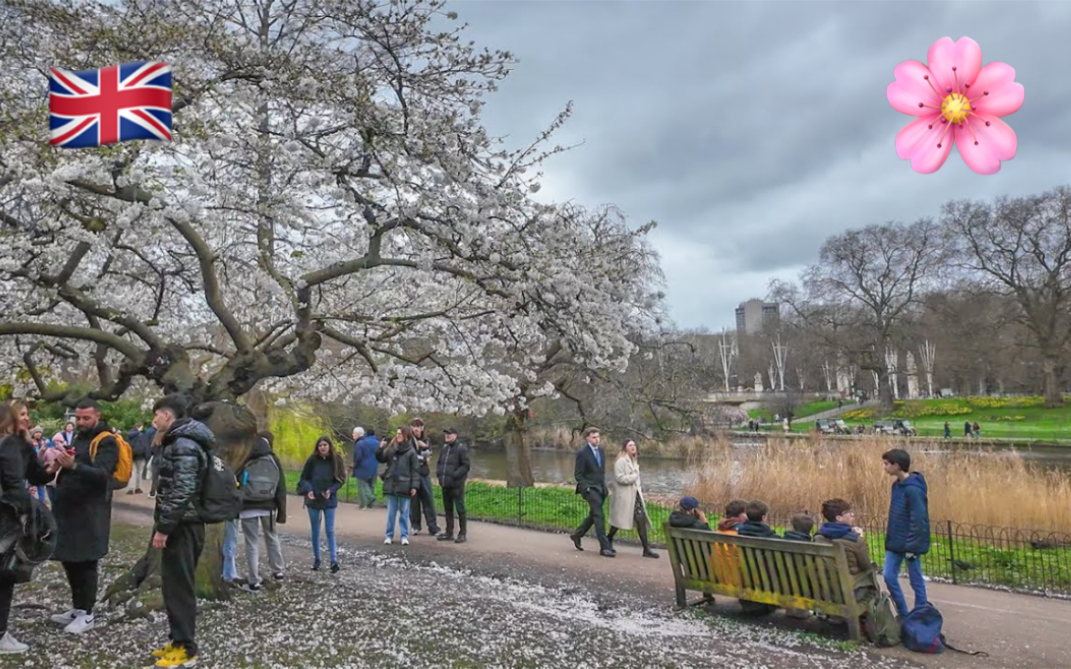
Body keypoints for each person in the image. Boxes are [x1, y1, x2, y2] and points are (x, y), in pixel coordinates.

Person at [149, 394, 212, 669]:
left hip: (184, 526)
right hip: (182, 523)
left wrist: (164, 527)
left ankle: (186, 649)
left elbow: (183, 489)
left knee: (180, 587)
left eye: (156, 414)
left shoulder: (184, 444)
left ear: (167, 416)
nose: (153, 420)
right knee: (173, 585)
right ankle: (177, 641)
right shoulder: (180, 441)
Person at [48, 399, 120, 636]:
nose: (80, 422)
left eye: (85, 418)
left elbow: (102, 474)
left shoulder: (107, 440)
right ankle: (78, 608)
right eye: (78, 418)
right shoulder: (79, 438)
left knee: (87, 561)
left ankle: (87, 612)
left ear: (96, 416)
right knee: (70, 559)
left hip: (90, 512)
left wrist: (74, 465)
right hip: (69, 509)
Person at [0, 401, 54, 654]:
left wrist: (53, 467)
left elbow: (37, 476)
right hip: (6, 517)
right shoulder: (10, 444)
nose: (26, 418)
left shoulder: (22, 444)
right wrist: (30, 513)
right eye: (20, 414)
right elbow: (13, 485)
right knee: (4, 574)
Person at [235, 432, 287, 590]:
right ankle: (278, 571)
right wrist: (281, 512)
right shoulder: (273, 458)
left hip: (247, 507)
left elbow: (235, 481)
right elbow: (281, 486)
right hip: (268, 506)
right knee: (272, 537)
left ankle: (253, 581)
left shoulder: (244, 457)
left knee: (251, 542)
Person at [882, 448, 930, 619]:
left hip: (909, 542)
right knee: (888, 575)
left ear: (897, 465)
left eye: (887, 464)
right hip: (895, 540)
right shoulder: (896, 486)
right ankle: (903, 613)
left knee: (915, 580)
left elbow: (919, 519)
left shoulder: (913, 490)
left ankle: (921, 614)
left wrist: (913, 545)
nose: (885, 467)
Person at [297, 437, 346, 572]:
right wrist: (309, 490)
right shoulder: (312, 460)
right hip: (313, 499)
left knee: (330, 530)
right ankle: (317, 559)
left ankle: (333, 560)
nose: (322, 448)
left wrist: (331, 490)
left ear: (329, 446)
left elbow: (341, 479)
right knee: (315, 530)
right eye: (320, 445)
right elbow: (303, 478)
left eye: (325, 445)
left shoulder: (336, 460)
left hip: (329, 499)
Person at [815, 498, 878, 603]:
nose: (852, 515)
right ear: (839, 518)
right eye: (848, 513)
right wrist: (861, 539)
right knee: (871, 583)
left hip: (823, 590)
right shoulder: (855, 540)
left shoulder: (818, 536)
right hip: (847, 592)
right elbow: (866, 566)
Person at [607, 439, 658, 558]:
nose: (633, 447)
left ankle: (646, 549)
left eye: (634, 445)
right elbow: (619, 478)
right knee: (618, 521)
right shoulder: (620, 461)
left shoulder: (634, 460)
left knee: (641, 520)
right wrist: (633, 477)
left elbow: (636, 479)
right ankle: (608, 538)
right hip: (624, 496)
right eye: (630, 445)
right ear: (625, 448)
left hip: (635, 496)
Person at [569, 427, 614, 557]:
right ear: (587, 438)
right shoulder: (582, 453)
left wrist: (604, 486)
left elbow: (601, 471)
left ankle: (577, 534)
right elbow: (578, 474)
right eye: (594, 437)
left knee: (594, 515)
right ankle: (605, 547)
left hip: (600, 488)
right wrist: (586, 487)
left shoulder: (601, 451)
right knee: (599, 515)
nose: (597, 439)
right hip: (590, 489)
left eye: (598, 437)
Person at [377, 426, 419, 545]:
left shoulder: (411, 452)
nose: (398, 435)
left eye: (400, 434)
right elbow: (382, 458)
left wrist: (414, 486)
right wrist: (380, 448)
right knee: (391, 513)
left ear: (406, 436)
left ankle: (404, 535)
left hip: (405, 485)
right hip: (392, 484)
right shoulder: (392, 448)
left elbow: (415, 470)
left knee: (404, 513)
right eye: (397, 433)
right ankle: (389, 535)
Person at [435, 428, 471, 543]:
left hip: (456, 486)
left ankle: (462, 533)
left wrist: (455, 476)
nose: (447, 436)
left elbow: (465, 466)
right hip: (445, 484)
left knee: (460, 509)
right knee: (448, 510)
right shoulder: (444, 449)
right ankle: (449, 532)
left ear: (455, 435)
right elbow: (439, 463)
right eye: (446, 434)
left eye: (449, 434)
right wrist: (439, 475)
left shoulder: (461, 448)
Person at [408, 418, 440, 536]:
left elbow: (428, 458)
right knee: (414, 501)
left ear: (422, 428)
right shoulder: (409, 440)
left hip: (424, 474)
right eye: (414, 426)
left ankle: (433, 527)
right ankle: (415, 525)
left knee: (428, 500)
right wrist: (421, 456)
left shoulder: (426, 440)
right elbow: (410, 457)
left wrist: (424, 448)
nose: (416, 428)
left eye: (418, 426)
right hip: (412, 474)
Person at [351, 427, 380, 509]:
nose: (352, 434)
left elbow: (358, 457)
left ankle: (365, 502)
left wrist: (354, 465)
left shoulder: (361, 443)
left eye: (354, 433)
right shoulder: (378, 443)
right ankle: (370, 504)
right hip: (374, 466)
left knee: (361, 485)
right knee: (371, 485)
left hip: (363, 467)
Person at [127, 423, 152, 495]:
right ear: (140, 427)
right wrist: (147, 456)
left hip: (131, 455)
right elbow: (146, 445)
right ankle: (138, 488)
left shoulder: (129, 434)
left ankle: (130, 489)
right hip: (140, 455)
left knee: (132, 472)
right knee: (139, 472)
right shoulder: (142, 435)